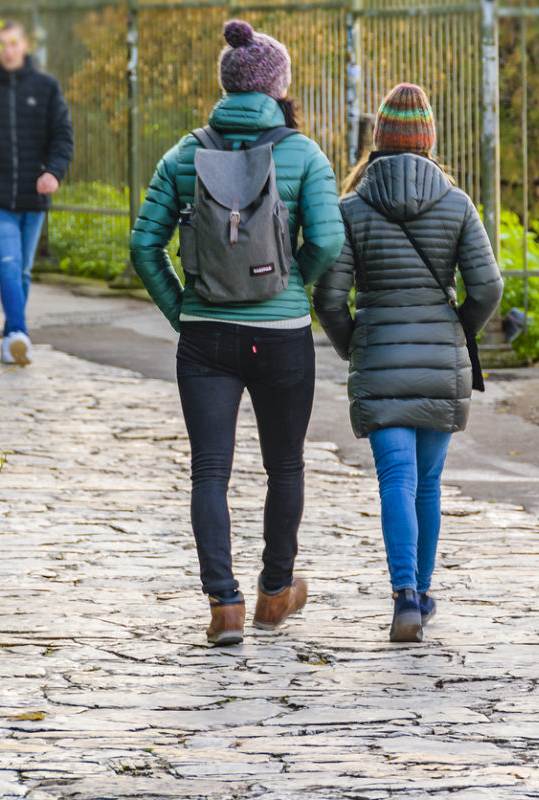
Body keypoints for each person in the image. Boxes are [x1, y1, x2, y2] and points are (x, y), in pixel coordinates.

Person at [129, 20, 344, 646]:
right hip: (282, 335)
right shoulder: (305, 156)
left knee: (209, 472)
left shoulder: (183, 154)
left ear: (226, 87)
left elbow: (143, 246)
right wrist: (291, 286)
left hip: (207, 338)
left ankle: (224, 606)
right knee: (285, 464)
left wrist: (182, 309)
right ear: (278, 88)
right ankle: (275, 593)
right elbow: (328, 241)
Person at [313, 83, 503, 643]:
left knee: (395, 478)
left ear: (378, 140)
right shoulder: (457, 204)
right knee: (428, 483)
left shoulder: (350, 209)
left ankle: (403, 599)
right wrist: (458, 329)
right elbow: (488, 287)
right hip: (441, 358)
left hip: (378, 356)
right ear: (428, 141)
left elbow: (329, 297)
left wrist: (353, 343)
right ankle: (420, 594)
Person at [0, 20, 74, 366]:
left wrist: (53, 172)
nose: (7, 51)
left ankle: (11, 337)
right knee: (8, 264)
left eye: (13, 43)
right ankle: (19, 333)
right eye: (0, 45)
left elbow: (62, 135)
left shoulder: (46, 87)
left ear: (25, 46)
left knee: (23, 271)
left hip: (32, 199)